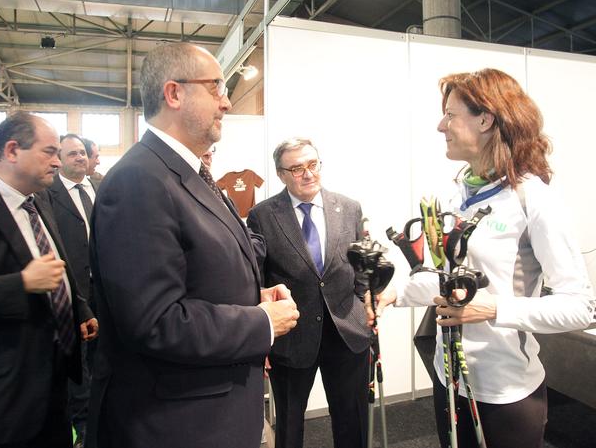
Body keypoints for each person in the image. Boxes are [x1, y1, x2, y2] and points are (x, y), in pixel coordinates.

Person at [86, 42, 299, 448]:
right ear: (174, 93)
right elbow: (155, 321)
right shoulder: (139, 181)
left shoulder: (184, 174)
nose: (227, 102)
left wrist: (250, 295)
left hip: (209, 412)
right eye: (216, 86)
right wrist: (261, 321)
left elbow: (196, 273)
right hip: (176, 424)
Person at [369, 68, 594, 448]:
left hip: (505, 391)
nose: (441, 126)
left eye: (450, 115)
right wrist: (393, 294)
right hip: (449, 378)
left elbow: (580, 307)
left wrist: (490, 309)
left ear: (486, 120)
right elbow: (448, 279)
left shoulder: (533, 198)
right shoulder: (456, 194)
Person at [0, 112, 98, 448]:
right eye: (49, 152)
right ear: (11, 150)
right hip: (2, 388)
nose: (57, 162)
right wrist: (20, 284)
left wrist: (79, 308)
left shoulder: (40, 200)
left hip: (54, 374)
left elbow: (56, 258)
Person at [246, 138, 370, 448]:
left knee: (352, 420)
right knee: (289, 424)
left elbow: (361, 265)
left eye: (313, 164)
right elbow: (256, 278)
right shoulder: (262, 215)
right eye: (297, 168)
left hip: (346, 332)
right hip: (292, 337)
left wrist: (364, 304)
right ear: (281, 174)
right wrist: (261, 333)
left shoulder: (349, 207)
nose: (308, 174)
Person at [48, 134, 100, 448]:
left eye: (82, 152)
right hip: (73, 291)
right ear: (59, 159)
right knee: (78, 361)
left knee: (103, 355)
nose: (80, 158)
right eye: (72, 154)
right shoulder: (48, 193)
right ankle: (83, 427)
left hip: (104, 287)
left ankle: (103, 416)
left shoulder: (100, 186)